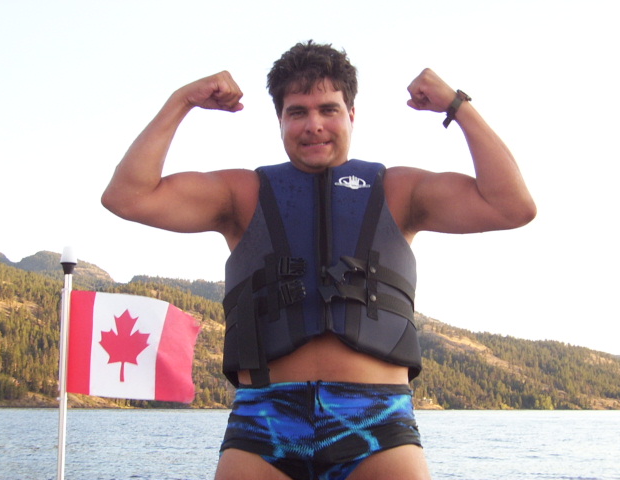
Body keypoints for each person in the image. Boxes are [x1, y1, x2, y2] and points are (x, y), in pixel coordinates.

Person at [102, 41, 536, 480]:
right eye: (297, 112)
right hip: (265, 423)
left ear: (351, 114)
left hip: (375, 421)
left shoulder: (398, 190)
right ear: (280, 120)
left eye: (328, 109)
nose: (314, 125)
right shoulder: (241, 194)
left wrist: (457, 106)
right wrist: (182, 100)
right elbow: (127, 197)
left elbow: (511, 207)